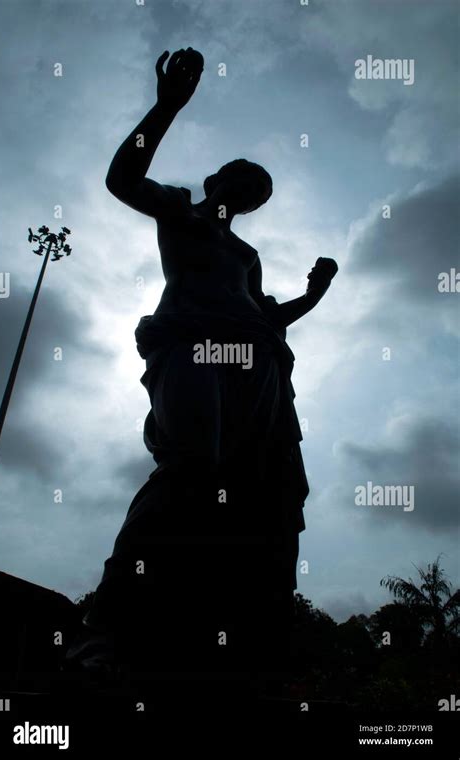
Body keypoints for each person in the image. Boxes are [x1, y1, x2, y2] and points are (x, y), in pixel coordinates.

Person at [65, 48, 338, 690]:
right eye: (244, 181)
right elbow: (121, 179)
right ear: (221, 180)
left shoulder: (246, 253)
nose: (250, 193)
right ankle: (106, 627)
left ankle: (230, 641)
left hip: (256, 361)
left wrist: (316, 292)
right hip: (193, 345)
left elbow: (266, 317)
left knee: (256, 495)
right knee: (190, 468)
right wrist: (166, 107)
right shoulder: (179, 210)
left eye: (260, 192)